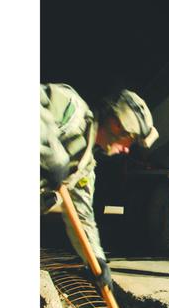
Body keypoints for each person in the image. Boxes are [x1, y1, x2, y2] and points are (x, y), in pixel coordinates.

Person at [40, 83, 158, 291]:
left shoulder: (84, 168)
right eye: (130, 140)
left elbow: (82, 217)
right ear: (116, 125)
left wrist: (96, 259)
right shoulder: (71, 109)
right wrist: (51, 154)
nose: (127, 150)